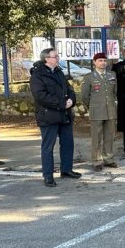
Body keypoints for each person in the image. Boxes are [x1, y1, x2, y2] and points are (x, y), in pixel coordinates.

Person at [30, 48, 82, 187]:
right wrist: (61, 104)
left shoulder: (59, 72)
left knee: (67, 143)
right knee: (48, 146)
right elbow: (40, 95)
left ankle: (66, 170)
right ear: (47, 58)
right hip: (48, 116)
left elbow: (69, 89)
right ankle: (48, 176)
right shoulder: (37, 75)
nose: (58, 58)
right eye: (55, 56)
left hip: (64, 114)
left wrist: (71, 100)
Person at [81, 52, 118, 172]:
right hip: (96, 111)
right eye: (100, 60)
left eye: (104, 60)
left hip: (110, 110)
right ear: (94, 62)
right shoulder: (89, 77)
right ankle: (97, 160)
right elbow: (85, 96)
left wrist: (114, 104)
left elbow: (115, 93)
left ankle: (108, 159)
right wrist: (92, 106)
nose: (102, 63)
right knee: (96, 137)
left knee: (109, 136)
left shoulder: (112, 75)